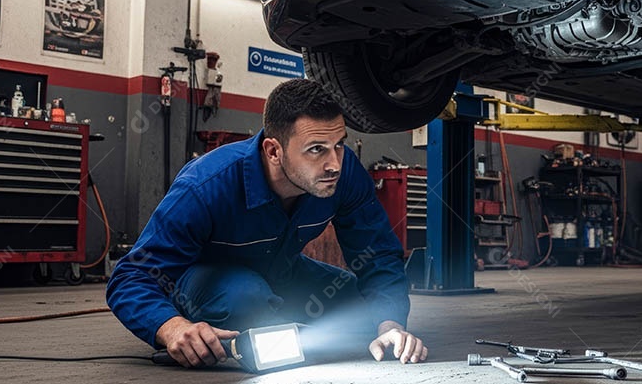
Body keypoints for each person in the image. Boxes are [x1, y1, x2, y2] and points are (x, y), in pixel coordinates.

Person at [107, 79, 427, 368]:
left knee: (363, 312)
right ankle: (251, 326)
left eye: (339, 145)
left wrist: (390, 326)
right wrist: (172, 327)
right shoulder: (206, 186)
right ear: (274, 151)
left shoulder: (345, 173)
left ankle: (278, 325)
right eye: (316, 150)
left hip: (282, 272)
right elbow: (130, 277)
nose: (334, 164)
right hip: (204, 281)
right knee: (248, 300)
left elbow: (379, 257)